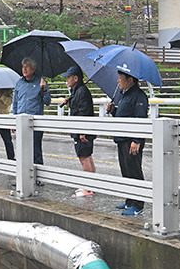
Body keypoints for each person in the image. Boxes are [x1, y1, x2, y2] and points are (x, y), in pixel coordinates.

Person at [106, 71, 148, 216]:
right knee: (126, 171)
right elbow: (124, 115)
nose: (118, 81)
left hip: (131, 140)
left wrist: (137, 140)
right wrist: (113, 110)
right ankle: (130, 200)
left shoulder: (139, 96)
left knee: (134, 171)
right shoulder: (125, 94)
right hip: (122, 139)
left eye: (120, 78)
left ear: (130, 80)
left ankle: (138, 204)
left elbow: (141, 118)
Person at [12, 57, 51, 186]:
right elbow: (15, 103)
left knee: (36, 151)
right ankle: (20, 177)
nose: (24, 69)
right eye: (23, 67)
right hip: (21, 122)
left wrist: (44, 89)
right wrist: (14, 121)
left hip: (35, 123)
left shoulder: (41, 82)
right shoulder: (19, 83)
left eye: (27, 67)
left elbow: (47, 102)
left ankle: (38, 177)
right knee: (21, 151)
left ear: (33, 69)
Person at [61, 65, 96, 197]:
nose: (67, 80)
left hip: (82, 132)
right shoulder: (79, 91)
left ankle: (87, 189)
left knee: (84, 158)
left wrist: (82, 131)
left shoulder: (81, 91)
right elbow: (79, 108)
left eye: (69, 77)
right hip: (84, 130)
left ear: (76, 78)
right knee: (87, 157)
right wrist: (70, 103)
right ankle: (90, 186)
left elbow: (84, 112)